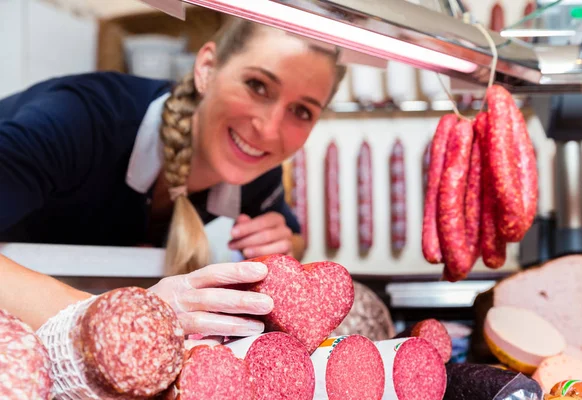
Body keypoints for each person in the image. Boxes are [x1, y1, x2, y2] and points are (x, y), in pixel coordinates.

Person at [0, 17, 346, 336]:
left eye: (301, 111)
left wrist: (281, 243)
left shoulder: (253, 171)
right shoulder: (76, 121)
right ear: (207, 68)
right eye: (257, 85)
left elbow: (293, 236)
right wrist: (130, 317)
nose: (268, 130)